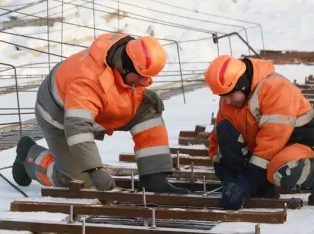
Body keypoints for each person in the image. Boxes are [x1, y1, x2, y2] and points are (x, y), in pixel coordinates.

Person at [11, 33, 189, 194]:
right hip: (59, 114)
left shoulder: (125, 55)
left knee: (148, 112)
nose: (146, 82)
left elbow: (120, 82)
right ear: (126, 67)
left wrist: (140, 92)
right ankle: (30, 156)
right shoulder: (87, 82)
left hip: (97, 105)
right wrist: (94, 170)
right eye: (142, 77)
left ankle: (154, 178)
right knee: (77, 181)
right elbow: (78, 130)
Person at [205, 55, 314, 209]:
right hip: (267, 152)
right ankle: (263, 187)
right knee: (226, 130)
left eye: (229, 95)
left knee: (281, 169)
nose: (226, 101)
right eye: (222, 96)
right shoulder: (231, 98)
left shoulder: (276, 88)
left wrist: (246, 182)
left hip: (302, 147)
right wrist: (226, 176)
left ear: (243, 85)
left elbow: (271, 143)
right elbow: (220, 136)